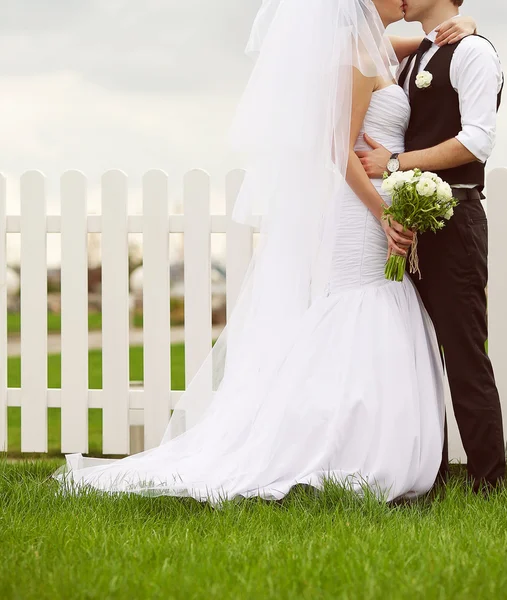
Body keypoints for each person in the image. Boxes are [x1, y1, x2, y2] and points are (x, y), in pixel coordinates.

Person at [52, 0, 478, 505]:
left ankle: (365, 448)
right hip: (360, 209)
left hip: (377, 205)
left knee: (380, 305)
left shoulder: (375, 47)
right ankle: (342, 452)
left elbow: (429, 44)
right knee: (359, 309)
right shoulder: (355, 53)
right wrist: (380, 213)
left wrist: (467, 24)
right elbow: (337, 148)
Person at [357, 0, 506, 492]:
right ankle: (428, 474)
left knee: (464, 352)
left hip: (455, 219)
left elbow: (476, 141)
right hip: (410, 222)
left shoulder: (473, 53)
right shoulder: (416, 54)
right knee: (415, 353)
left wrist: (396, 163)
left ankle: (489, 480)